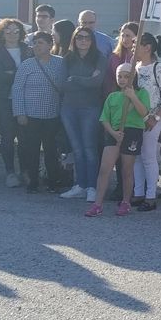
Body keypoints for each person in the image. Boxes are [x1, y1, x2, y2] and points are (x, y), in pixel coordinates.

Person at [86, 63, 150, 217]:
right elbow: (104, 119)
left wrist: (133, 96)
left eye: (126, 76)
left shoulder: (142, 93)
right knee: (104, 169)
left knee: (127, 169)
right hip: (114, 133)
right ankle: (98, 204)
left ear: (133, 77)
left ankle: (126, 202)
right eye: (119, 76)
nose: (122, 79)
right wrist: (113, 134)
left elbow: (144, 113)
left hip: (133, 131)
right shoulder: (112, 96)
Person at [11, 31, 67, 193]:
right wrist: (20, 113)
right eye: (34, 43)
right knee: (32, 149)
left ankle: (53, 180)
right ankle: (33, 181)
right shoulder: (26, 65)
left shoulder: (61, 63)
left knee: (51, 150)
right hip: (31, 116)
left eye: (40, 43)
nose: (36, 46)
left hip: (52, 114)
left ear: (50, 45)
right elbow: (17, 90)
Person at [130, 32, 161, 212]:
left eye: (135, 45)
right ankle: (138, 192)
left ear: (147, 47)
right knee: (137, 158)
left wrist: (156, 118)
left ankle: (150, 196)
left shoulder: (159, 69)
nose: (132, 48)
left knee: (148, 157)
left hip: (152, 120)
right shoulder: (134, 68)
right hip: (134, 119)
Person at [58, 26, 104, 201]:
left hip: (90, 108)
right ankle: (80, 185)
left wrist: (75, 79)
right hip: (69, 108)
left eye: (86, 37)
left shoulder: (99, 58)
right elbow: (62, 84)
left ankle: (92, 187)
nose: (83, 40)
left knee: (89, 148)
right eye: (79, 37)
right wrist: (86, 80)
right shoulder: (67, 58)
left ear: (92, 41)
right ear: (74, 40)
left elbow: (97, 82)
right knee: (77, 150)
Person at [0, 18, 33, 188]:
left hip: (26, 100)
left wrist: (12, 73)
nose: (12, 34)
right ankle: (10, 172)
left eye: (16, 31)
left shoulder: (28, 51)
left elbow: (32, 73)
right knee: (7, 137)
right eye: (8, 30)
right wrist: (19, 75)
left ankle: (25, 171)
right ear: (1, 33)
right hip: (4, 100)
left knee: (25, 138)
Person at [104, 22, 138, 95]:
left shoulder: (141, 57)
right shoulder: (114, 57)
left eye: (128, 36)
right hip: (118, 97)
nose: (125, 39)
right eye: (123, 36)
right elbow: (109, 80)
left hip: (138, 96)